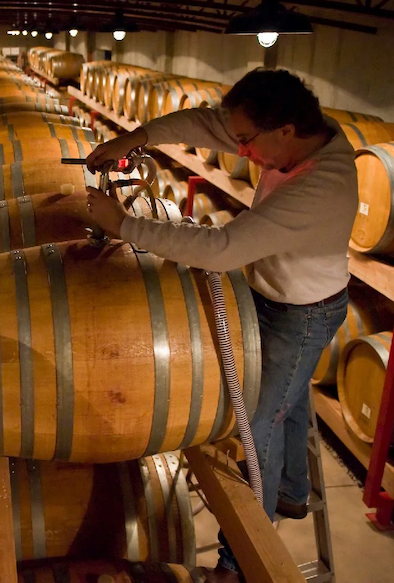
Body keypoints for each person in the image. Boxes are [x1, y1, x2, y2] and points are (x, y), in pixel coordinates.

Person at [86, 68, 357, 582]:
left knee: (255, 429)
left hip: (302, 314)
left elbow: (224, 250)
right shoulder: (291, 139)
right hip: (276, 294)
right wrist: (136, 136)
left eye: (248, 142)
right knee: (288, 402)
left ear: (286, 131)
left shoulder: (323, 184)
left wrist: (122, 224)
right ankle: (293, 492)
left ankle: (238, 563)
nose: (241, 150)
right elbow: (204, 125)